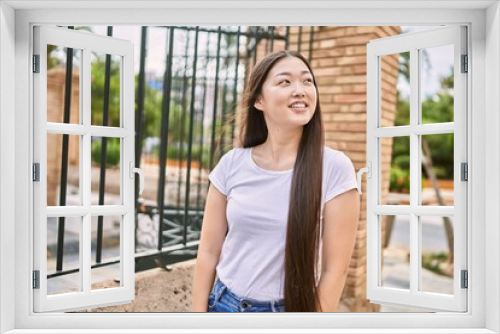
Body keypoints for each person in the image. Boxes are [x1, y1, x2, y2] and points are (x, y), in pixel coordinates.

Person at [191, 50, 360, 312]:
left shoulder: (334, 169)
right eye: (285, 81)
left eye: (307, 81)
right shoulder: (232, 164)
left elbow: (334, 272)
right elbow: (208, 252)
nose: (300, 90)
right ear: (259, 100)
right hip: (222, 305)